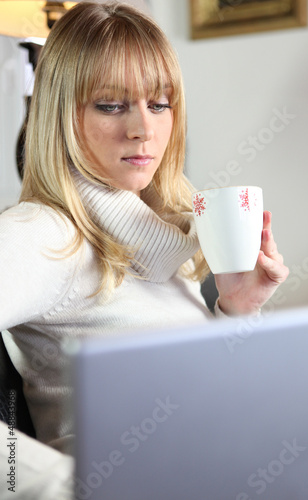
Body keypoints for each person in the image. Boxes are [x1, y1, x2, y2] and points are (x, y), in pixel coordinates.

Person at [0, 0, 289, 495]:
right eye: (111, 105)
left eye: (159, 104)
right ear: (59, 115)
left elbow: (200, 395)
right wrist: (52, 484)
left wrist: (237, 310)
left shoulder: (155, 230)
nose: (144, 129)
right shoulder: (43, 233)